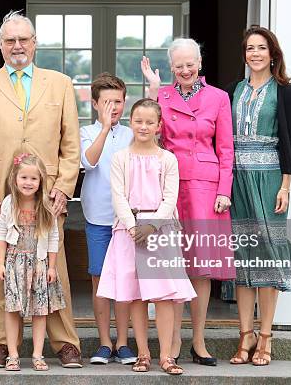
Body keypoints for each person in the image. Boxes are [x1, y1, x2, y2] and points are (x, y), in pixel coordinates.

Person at [0, 10, 82, 368]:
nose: (17, 46)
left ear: (34, 43)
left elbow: (71, 143)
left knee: (52, 267)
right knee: (5, 266)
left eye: (23, 39)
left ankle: (65, 343)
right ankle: (3, 342)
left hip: (47, 194)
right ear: (0, 45)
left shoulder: (58, 83)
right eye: (10, 40)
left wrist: (64, 186)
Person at [141, 38, 235, 366]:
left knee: (202, 267)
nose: (185, 70)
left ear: (199, 63)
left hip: (206, 189)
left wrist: (225, 190)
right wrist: (153, 91)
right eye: (178, 65)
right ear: (170, 68)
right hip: (168, 184)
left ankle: (199, 339)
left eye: (190, 64)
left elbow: (225, 148)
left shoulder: (219, 98)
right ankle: (173, 341)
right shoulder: (162, 96)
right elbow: (148, 135)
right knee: (172, 263)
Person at [97, 99, 196, 375]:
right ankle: (143, 353)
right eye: (138, 121)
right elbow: (117, 196)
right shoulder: (121, 158)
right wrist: (132, 226)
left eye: (149, 122)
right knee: (136, 296)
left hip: (159, 229)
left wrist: (152, 226)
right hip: (128, 232)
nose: (143, 126)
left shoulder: (168, 159)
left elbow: (170, 197)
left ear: (158, 126)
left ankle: (166, 356)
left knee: (163, 295)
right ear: (131, 122)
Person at [226, 26, 291, 366]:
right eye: (250, 48)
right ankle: (245, 336)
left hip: (270, 180)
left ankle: (266, 337)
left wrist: (285, 185)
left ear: (273, 54)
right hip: (238, 180)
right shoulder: (235, 90)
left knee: (267, 255)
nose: (255, 53)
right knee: (243, 256)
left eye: (261, 48)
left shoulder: (284, 92)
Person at [80, 73, 136, 365]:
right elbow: (88, 161)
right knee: (100, 278)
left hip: (126, 219)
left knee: (125, 278)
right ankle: (104, 342)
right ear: (94, 104)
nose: (113, 107)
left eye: (118, 101)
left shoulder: (130, 134)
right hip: (98, 217)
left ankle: (124, 342)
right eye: (106, 102)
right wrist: (103, 128)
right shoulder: (87, 132)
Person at [0, 153, 66, 371]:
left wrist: (52, 266)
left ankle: (37, 354)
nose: (28, 182)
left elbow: (53, 237)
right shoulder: (9, 203)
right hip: (15, 262)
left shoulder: (45, 204)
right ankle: (13, 355)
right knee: (12, 308)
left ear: (41, 181)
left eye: (33, 179)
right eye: (24, 177)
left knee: (40, 310)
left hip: (39, 264)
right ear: (15, 179)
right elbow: (1, 233)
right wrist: (0, 263)